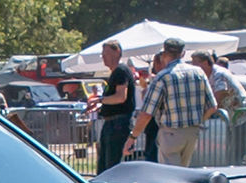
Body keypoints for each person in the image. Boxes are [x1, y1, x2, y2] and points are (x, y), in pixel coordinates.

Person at [124, 38, 217, 166]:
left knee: (170, 176)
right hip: (192, 132)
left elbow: (147, 113)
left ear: (164, 54)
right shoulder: (198, 73)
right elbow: (213, 106)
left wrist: (133, 137)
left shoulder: (162, 77)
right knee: (183, 173)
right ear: (183, 53)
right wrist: (199, 121)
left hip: (171, 133)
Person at [89, 40, 136, 173]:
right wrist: (101, 105)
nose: (103, 57)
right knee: (104, 163)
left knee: (112, 165)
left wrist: (100, 100)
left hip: (118, 124)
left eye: (106, 53)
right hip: (112, 123)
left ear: (117, 52)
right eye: (102, 54)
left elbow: (121, 97)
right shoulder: (116, 72)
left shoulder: (121, 71)